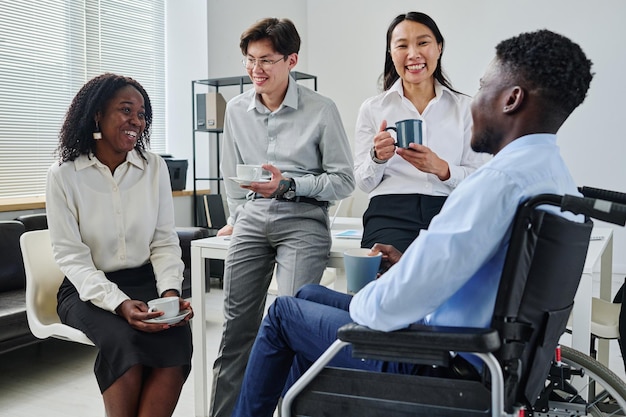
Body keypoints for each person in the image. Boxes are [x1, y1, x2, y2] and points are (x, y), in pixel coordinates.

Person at [231, 28, 594, 416]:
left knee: (285, 314)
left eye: (483, 86)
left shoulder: (496, 183)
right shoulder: (554, 179)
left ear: (511, 99)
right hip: (488, 353)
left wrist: (377, 295)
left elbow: (389, 306)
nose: (473, 103)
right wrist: (411, 267)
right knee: (306, 298)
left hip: (435, 362)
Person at [210, 17, 355, 417]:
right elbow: (230, 176)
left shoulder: (322, 110)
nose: (256, 69)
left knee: (293, 325)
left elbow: (344, 181)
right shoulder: (236, 110)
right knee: (235, 330)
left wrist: (290, 185)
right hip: (252, 219)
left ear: (291, 61)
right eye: (250, 60)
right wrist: (238, 216)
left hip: (303, 220)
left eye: (267, 60)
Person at [46, 73, 193, 417]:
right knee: (125, 343)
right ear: (97, 114)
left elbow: (164, 240)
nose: (136, 122)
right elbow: (71, 257)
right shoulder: (64, 175)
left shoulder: (153, 167)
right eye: (126, 110)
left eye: (142, 114)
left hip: (146, 280)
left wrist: (170, 291)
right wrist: (119, 303)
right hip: (87, 289)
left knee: (176, 341)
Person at [355, 12, 487, 252]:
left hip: (450, 209)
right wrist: (377, 158)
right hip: (389, 211)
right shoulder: (373, 108)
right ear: (391, 53)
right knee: (384, 277)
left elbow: (481, 179)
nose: (413, 54)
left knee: (449, 280)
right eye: (402, 45)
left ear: (439, 47)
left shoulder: (466, 108)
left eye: (423, 43)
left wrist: (443, 169)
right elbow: (364, 183)